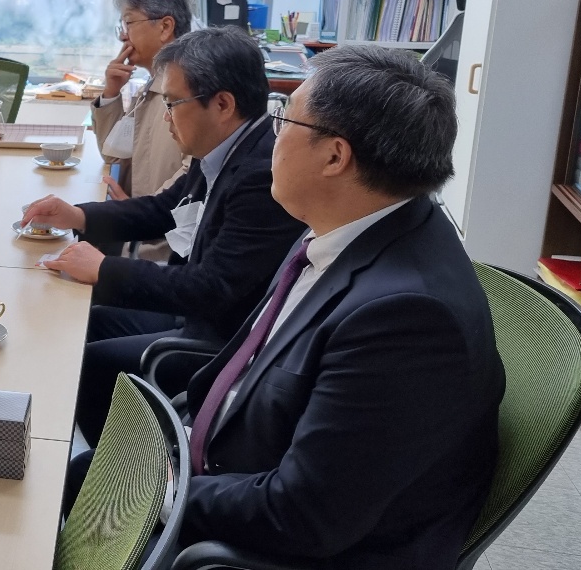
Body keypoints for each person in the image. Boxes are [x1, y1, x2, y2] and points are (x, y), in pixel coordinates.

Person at [84, 45, 505, 568]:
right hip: (229, 452)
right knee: (70, 475)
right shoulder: (349, 224)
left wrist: (157, 488)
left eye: (284, 120)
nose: (271, 134)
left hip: (267, 532)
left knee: (67, 495)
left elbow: (300, 514)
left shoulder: (407, 319)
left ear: (335, 156)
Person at [21, 27, 303, 445]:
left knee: (95, 363)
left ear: (222, 104)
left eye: (172, 103)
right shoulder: (225, 148)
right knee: (92, 322)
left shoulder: (259, 175)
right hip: (194, 313)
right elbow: (160, 210)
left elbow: (214, 289)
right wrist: (78, 214)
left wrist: (103, 268)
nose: (166, 115)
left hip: (218, 339)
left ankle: (130, 479)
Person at [90, 0, 193, 261]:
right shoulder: (152, 84)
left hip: (163, 251)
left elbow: (192, 170)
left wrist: (142, 211)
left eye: (129, 23)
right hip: (136, 234)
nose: (123, 37)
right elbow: (114, 152)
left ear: (165, 27)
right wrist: (111, 93)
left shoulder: (187, 90)